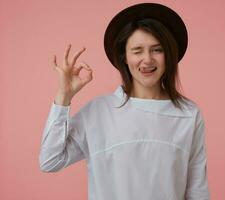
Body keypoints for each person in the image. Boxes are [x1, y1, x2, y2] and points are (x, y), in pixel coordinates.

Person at [39, 2, 211, 200]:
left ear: (169, 55)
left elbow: (197, 190)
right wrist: (64, 96)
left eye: (157, 50)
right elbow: (50, 160)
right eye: (137, 51)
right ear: (124, 58)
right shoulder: (99, 112)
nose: (147, 60)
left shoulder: (188, 114)